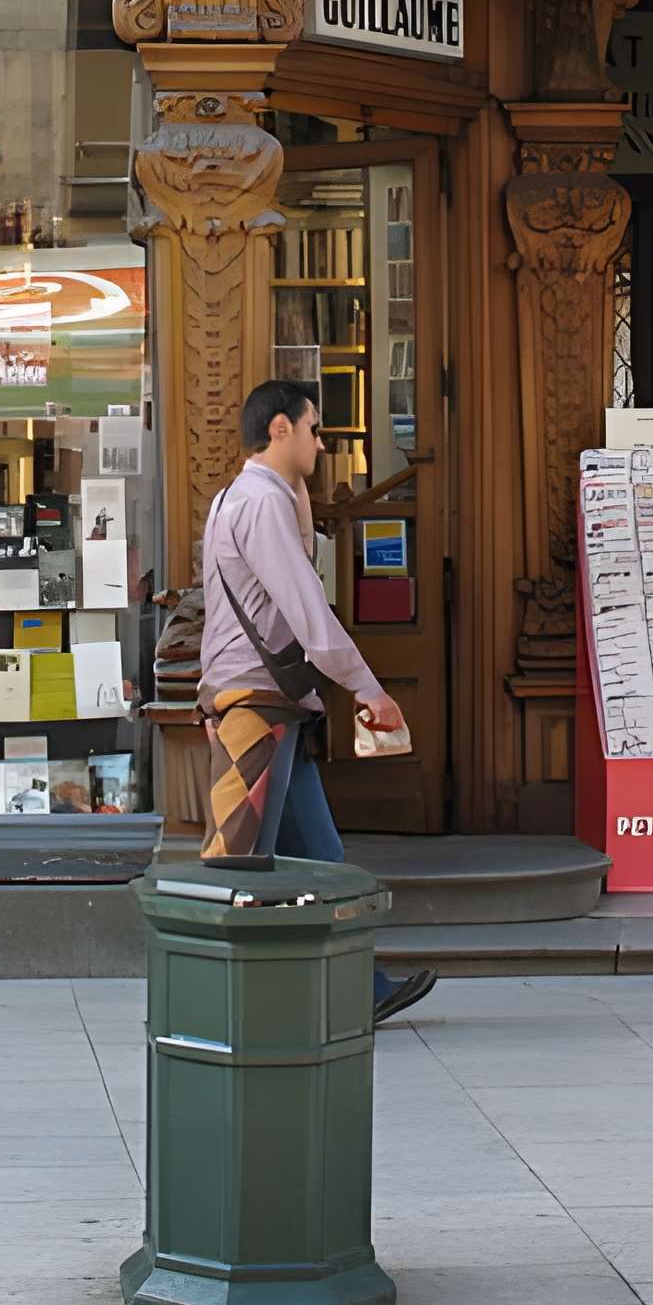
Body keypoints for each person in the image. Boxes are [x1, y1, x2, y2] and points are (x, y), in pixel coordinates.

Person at [201, 376, 436, 1025]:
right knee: (240, 870)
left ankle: (361, 989)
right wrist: (367, 687)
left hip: (265, 706)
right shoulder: (262, 504)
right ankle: (220, 1007)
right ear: (281, 429)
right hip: (260, 710)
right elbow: (308, 609)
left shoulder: (238, 498)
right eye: (313, 428)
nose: (322, 441)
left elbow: (247, 604)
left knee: (320, 861)